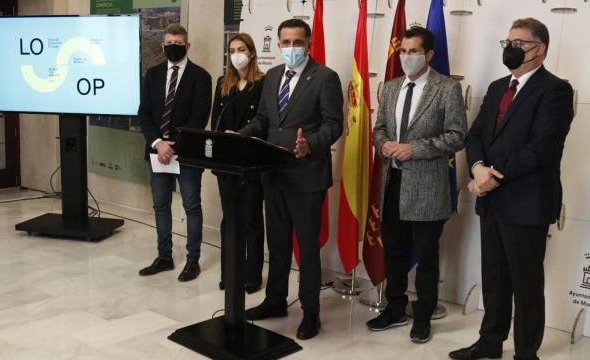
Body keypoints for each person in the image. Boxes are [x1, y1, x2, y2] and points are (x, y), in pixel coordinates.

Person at [449, 18, 574, 360]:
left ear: (540, 48)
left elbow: (542, 148)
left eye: (518, 43)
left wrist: (492, 176)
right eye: (507, 42)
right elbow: (475, 136)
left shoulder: (556, 90)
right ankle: (490, 343)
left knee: (526, 283)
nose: (511, 48)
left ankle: (525, 353)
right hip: (491, 201)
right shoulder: (496, 87)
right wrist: (476, 168)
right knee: (494, 277)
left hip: (527, 202)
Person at [237, 19, 343, 340]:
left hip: (307, 177)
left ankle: (311, 312)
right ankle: (275, 301)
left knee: (307, 248)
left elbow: (334, 124)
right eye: (286, 42)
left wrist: (309, 143)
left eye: (298, 42)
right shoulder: (271, 77)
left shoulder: (325, 77)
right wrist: (238, 136)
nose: (291, 47)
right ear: (279, 45)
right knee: (278, 243)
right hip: (274, 175)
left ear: (308, 44)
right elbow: (263, 120)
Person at [367, 26, 467, 343]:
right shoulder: (392, 87)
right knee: (394, 252)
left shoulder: (447, 88)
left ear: (429, 54)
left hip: (427, 188)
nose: (407, 57)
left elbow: (456, 136)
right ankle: (395, 308)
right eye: (403, 51)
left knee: (425, 257)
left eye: (414, 51)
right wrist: (383, 145)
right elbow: (378, 129)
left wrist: (414, 149)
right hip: (392, 183)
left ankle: (422, 317)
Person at [137, 24, 212, 282]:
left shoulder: (201, 77)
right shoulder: (153, 74)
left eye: (178, 42)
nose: (173, 46)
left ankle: (193, 261)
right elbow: (143, 113)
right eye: (169, 42)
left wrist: (172, 145)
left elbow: (198, 118)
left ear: (187, 45)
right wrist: (159, 143)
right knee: (160, 205)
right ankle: (164, 257)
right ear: (162, 46)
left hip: (187, 153)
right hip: (157, 152)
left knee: (192, 206)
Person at [211, 33, 265, 294]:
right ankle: (229, 271)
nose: (236, 55)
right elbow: (215, 123)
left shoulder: (263, 83)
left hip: (252, 162)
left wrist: (241, 135)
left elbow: (264, 122)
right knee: (230, 219)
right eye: (232, 50)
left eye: (241, 49)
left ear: (252, 52)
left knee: (252, 220)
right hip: (226, 163)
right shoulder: (223, 83)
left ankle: (253, 275)